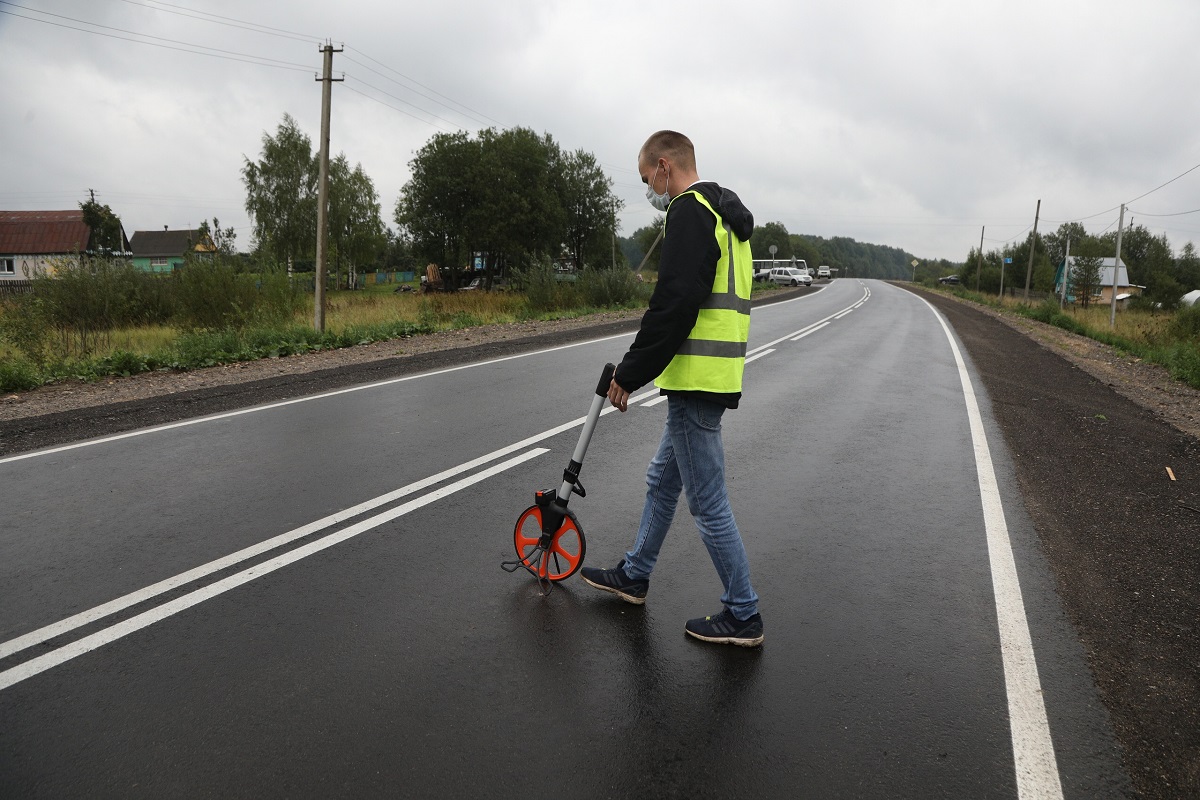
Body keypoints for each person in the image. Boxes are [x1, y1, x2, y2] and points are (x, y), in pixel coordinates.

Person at [579, 130, 762, 647]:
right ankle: (635, 573)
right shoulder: (728, 217)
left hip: (696, 380)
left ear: (665, 166)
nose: (651, 193)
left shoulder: (689, 211)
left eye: (647, 181)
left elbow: (674, 304)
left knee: (707, 502)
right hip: (713, 375)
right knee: (663, 479)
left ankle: (744, 613)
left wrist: (629, 372)